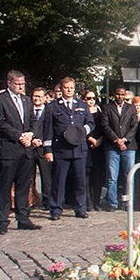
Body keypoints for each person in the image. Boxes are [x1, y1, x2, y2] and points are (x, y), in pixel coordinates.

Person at [0, 71, 42, 234]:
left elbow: (34, 120)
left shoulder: (26, 100)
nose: (22, 87)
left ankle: (23, 218)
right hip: (9, 148)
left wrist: (30, 134)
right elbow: (0, 123)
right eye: (18, 84)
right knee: (5, 187)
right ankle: (3, 221)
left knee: (23, 185)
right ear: (9, 83)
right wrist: (19, 136)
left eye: (23, 84)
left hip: (25, 150)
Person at [42, 77, 94, 220]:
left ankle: (80, 208)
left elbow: (90, 123)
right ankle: (56, 209)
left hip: (79, 148)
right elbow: (48, 130)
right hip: (61, 149)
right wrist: (48, 150)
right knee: (59, 181)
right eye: (66, 88)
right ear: (61, 89)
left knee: (80, 180)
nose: (69, 90)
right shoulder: (53, 106)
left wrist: (82, 131)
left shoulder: (82, 105)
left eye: (71, 88)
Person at [101, 86, 138, 212]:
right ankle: (112, 203)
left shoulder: (131, 108)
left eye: (122, 94)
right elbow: (105, 126)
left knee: (129, 175)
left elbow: (134, 126)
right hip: (112, 146)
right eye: (118, 94)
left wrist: (125, 140)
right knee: (112, 176)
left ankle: (128, 202)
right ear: (114, 95)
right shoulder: (107, 108)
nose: (120, 97)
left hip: (129, 146)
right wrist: (116, 139)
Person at [31, 87, 52, 209]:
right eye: (35, 96)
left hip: (44, 148)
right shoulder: (28, 109)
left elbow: (51, 129)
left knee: (46, 177)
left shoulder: (50, 111)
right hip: (30, 147)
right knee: (29, 176)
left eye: (39, 96)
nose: (37, 99)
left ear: (45, 98)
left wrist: (43, 141)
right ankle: (31, 200)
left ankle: (47, 202)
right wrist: (32, 139)